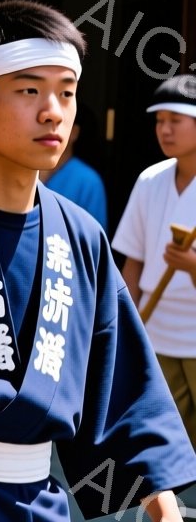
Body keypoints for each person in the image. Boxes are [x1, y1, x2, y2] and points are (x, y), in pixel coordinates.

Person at [0, 0, 196, 520]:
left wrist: (158, 499)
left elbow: (116, 377)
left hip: (35, 501)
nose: (53, 110)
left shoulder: (80, 235)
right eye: (29, 90)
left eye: (66, 92)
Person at [114, 74, 196, 449]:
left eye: (174, 121)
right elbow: (134, 261)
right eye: (159, 121)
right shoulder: (150, 180)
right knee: (166, 438)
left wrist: (192, 266)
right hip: (156, 328)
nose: (164, 130)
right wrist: (125, 325)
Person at [43, 105, 108, 230]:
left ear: (74, 132)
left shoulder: (89, 181)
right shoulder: (24, 171)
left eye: (59, 123)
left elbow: (93, 241)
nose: (49, 130)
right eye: (46, 122)